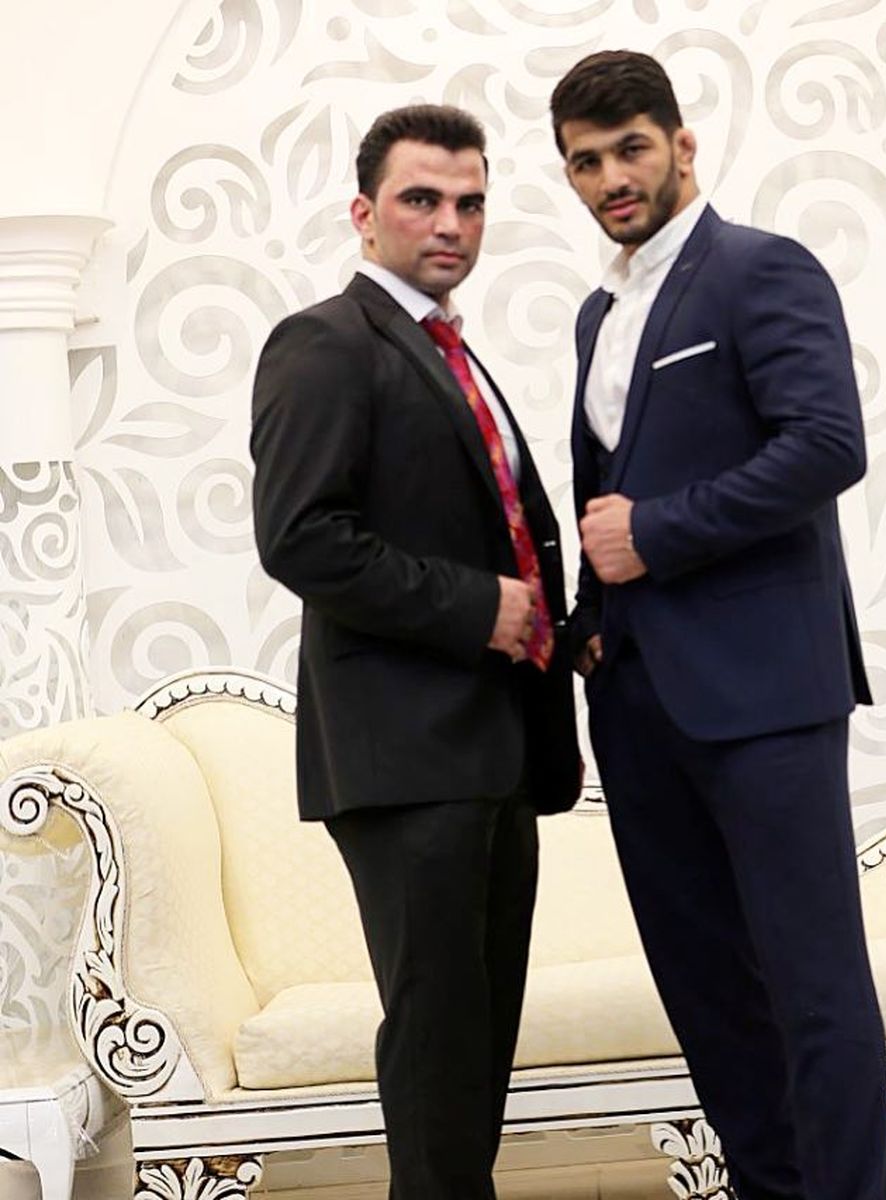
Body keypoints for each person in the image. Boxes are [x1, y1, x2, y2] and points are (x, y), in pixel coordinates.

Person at [551, 51, 886, 1200]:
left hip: (766, 692)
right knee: (705, 990)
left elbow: (826, 446)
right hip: (637, 699)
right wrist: (593, 623)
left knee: (811, 982)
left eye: (631, 149)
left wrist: (658, 534)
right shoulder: (599, 314)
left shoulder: (761, 269)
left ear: (682, 146)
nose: (612, 177)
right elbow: (607, 487)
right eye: (586, 162)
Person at [250, 103, 580, 1200]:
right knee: (439, 1037)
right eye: (422, 200)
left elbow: (499, 525)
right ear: (364, 213)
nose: (451, 223)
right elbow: (301, 538)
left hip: (493, 748)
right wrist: (477, 608)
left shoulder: (453, 351)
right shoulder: (325, 343)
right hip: (405, 756)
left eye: (470, 203)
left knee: (477, 1041)